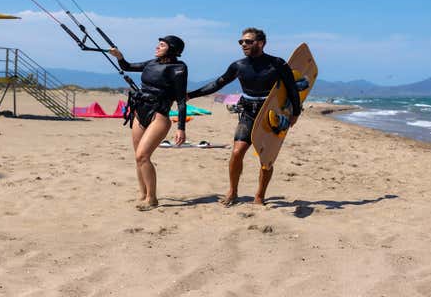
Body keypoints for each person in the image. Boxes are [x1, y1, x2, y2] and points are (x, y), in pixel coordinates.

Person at [187, 27, 301, 206]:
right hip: (248, 112)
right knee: (237, 152)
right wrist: (191, 95)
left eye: (248, 41)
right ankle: (232, 191)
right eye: (241, 41)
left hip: (270, 114)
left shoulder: (277, 64)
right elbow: (218, 83)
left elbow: (292, 88)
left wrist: (295, 113)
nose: (243, 44)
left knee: (266, 158)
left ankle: (260, 196)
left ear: (260, 43)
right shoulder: (239, 66)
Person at [109, 35, 188, 211]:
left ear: (172, 49)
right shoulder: (151, 63)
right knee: (138, 158)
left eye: (162, 45)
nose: (157, 47)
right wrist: (119, 56)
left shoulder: (179, 68)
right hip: (140, 112)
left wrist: (181, 128)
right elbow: (127, 66)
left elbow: (181, 101)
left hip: (158, 116)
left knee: (142, 156)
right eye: (158, 44)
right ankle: (143, 194)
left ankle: (152, 198)